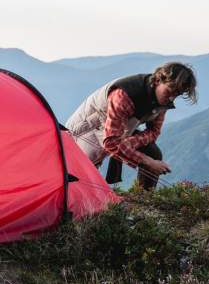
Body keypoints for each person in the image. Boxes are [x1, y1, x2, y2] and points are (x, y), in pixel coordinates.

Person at [64, 61, 198, 191]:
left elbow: (154, 131)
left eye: (176, 95)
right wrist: (148, 162)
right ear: (158, 80)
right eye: (169, 91)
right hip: (87, 129)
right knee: (80, 175)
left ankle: (145, 199)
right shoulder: (124, 95)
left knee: (153, 153)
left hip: (118, 130)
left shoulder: (162, 101)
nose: (171, 98)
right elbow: (110, 143)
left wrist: (128, 143)